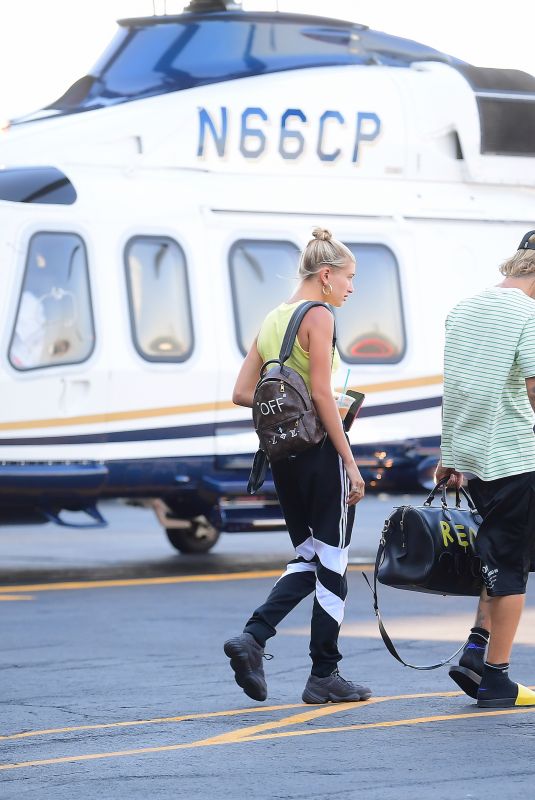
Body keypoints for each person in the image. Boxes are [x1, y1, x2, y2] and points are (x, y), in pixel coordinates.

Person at [224, 227, 371, 705]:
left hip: (282, 458)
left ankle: (253, 637)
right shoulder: (320, 316)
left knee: (309, 556)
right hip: (322, 452)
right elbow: (325, 394)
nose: (351, 287)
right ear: (326, 276)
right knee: (333, 559)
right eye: (349, 278)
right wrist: (349, 460)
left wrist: (295, 404)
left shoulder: (273, 319)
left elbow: (243, 393)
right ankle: (324, 673)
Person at [436, 229, 535, 708]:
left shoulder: (464, 308)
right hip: (519, 456)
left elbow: (455, 387)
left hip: (477, 461)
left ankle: (477, 651)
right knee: (510, 565)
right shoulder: (529, 313)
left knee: (498, 555)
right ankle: (497, 677)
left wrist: (450, 454)